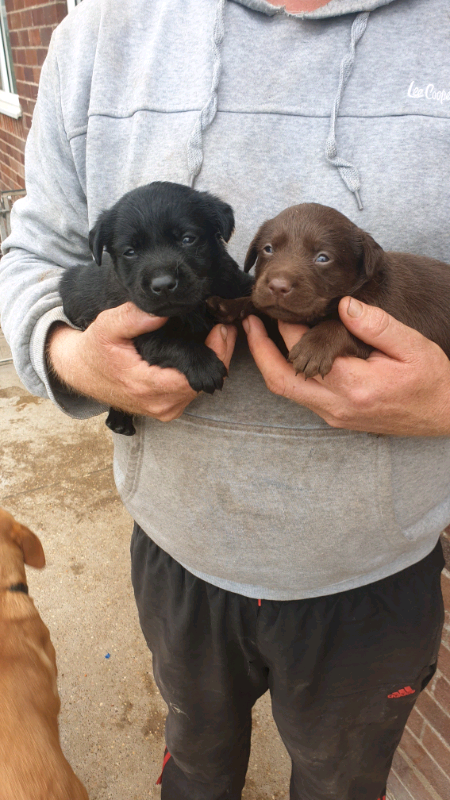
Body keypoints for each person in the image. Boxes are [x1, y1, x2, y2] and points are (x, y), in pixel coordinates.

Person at [1, 0, 449, 798]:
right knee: (198, 769)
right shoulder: (102, 29)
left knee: (341, 783)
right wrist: (71, 356)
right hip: (178, 555)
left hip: (372, 576)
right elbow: (35, 251)